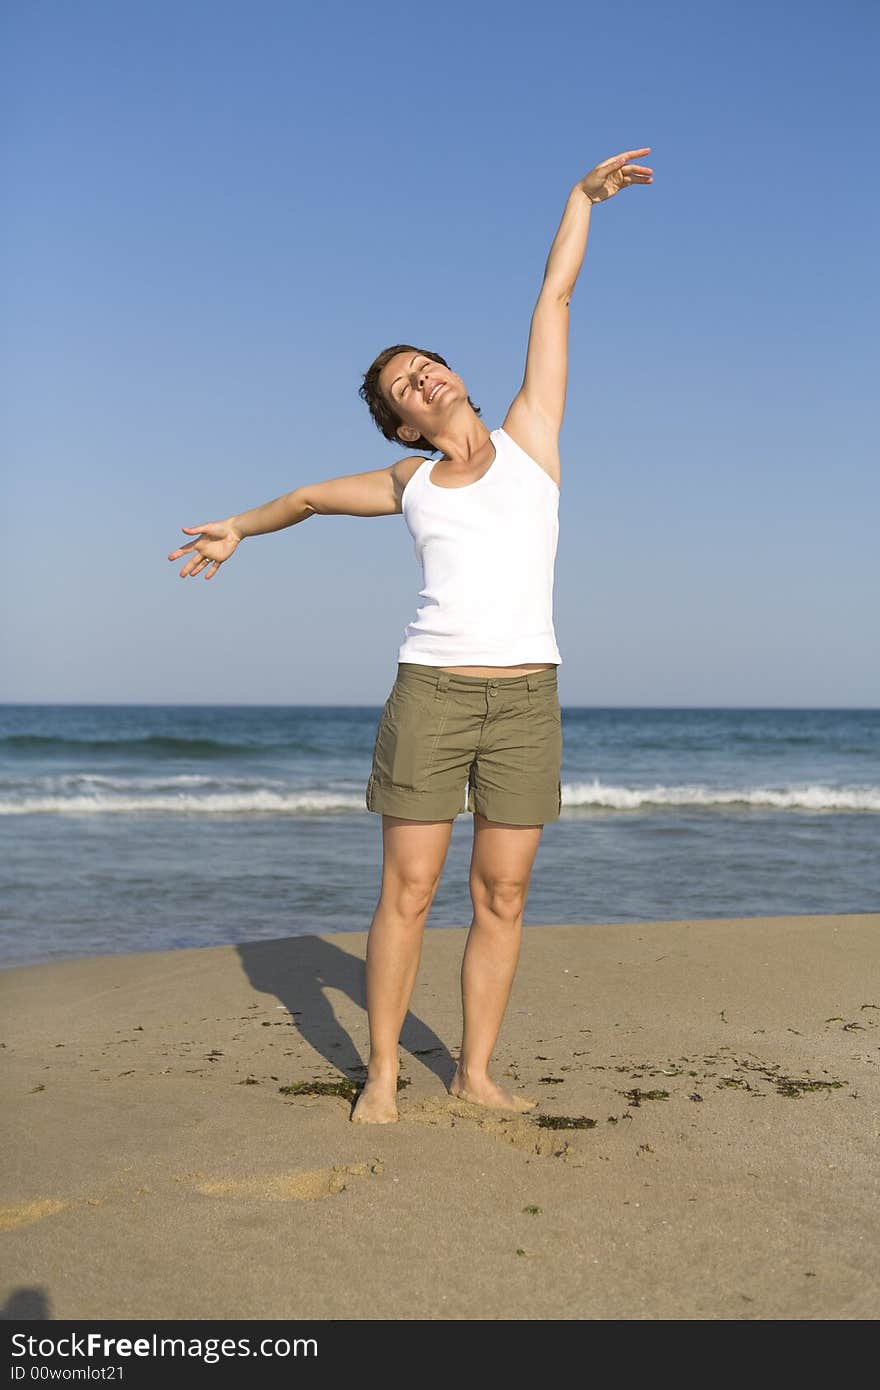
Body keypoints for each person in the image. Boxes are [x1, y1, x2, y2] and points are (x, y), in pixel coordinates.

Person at [167, 150, 653, 1125]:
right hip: (431, 691)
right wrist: (238, 527)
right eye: (402, 385)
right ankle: (384, 1071)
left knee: (504, 894)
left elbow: (553, 302)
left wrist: (578, 201)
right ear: (399, 424)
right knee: (410, 887)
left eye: (423, 364)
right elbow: (306, 496)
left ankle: (474, 1072)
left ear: (455, 375)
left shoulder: (532, 436)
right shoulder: (408, 484)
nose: (418, 377)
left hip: (526, 697)